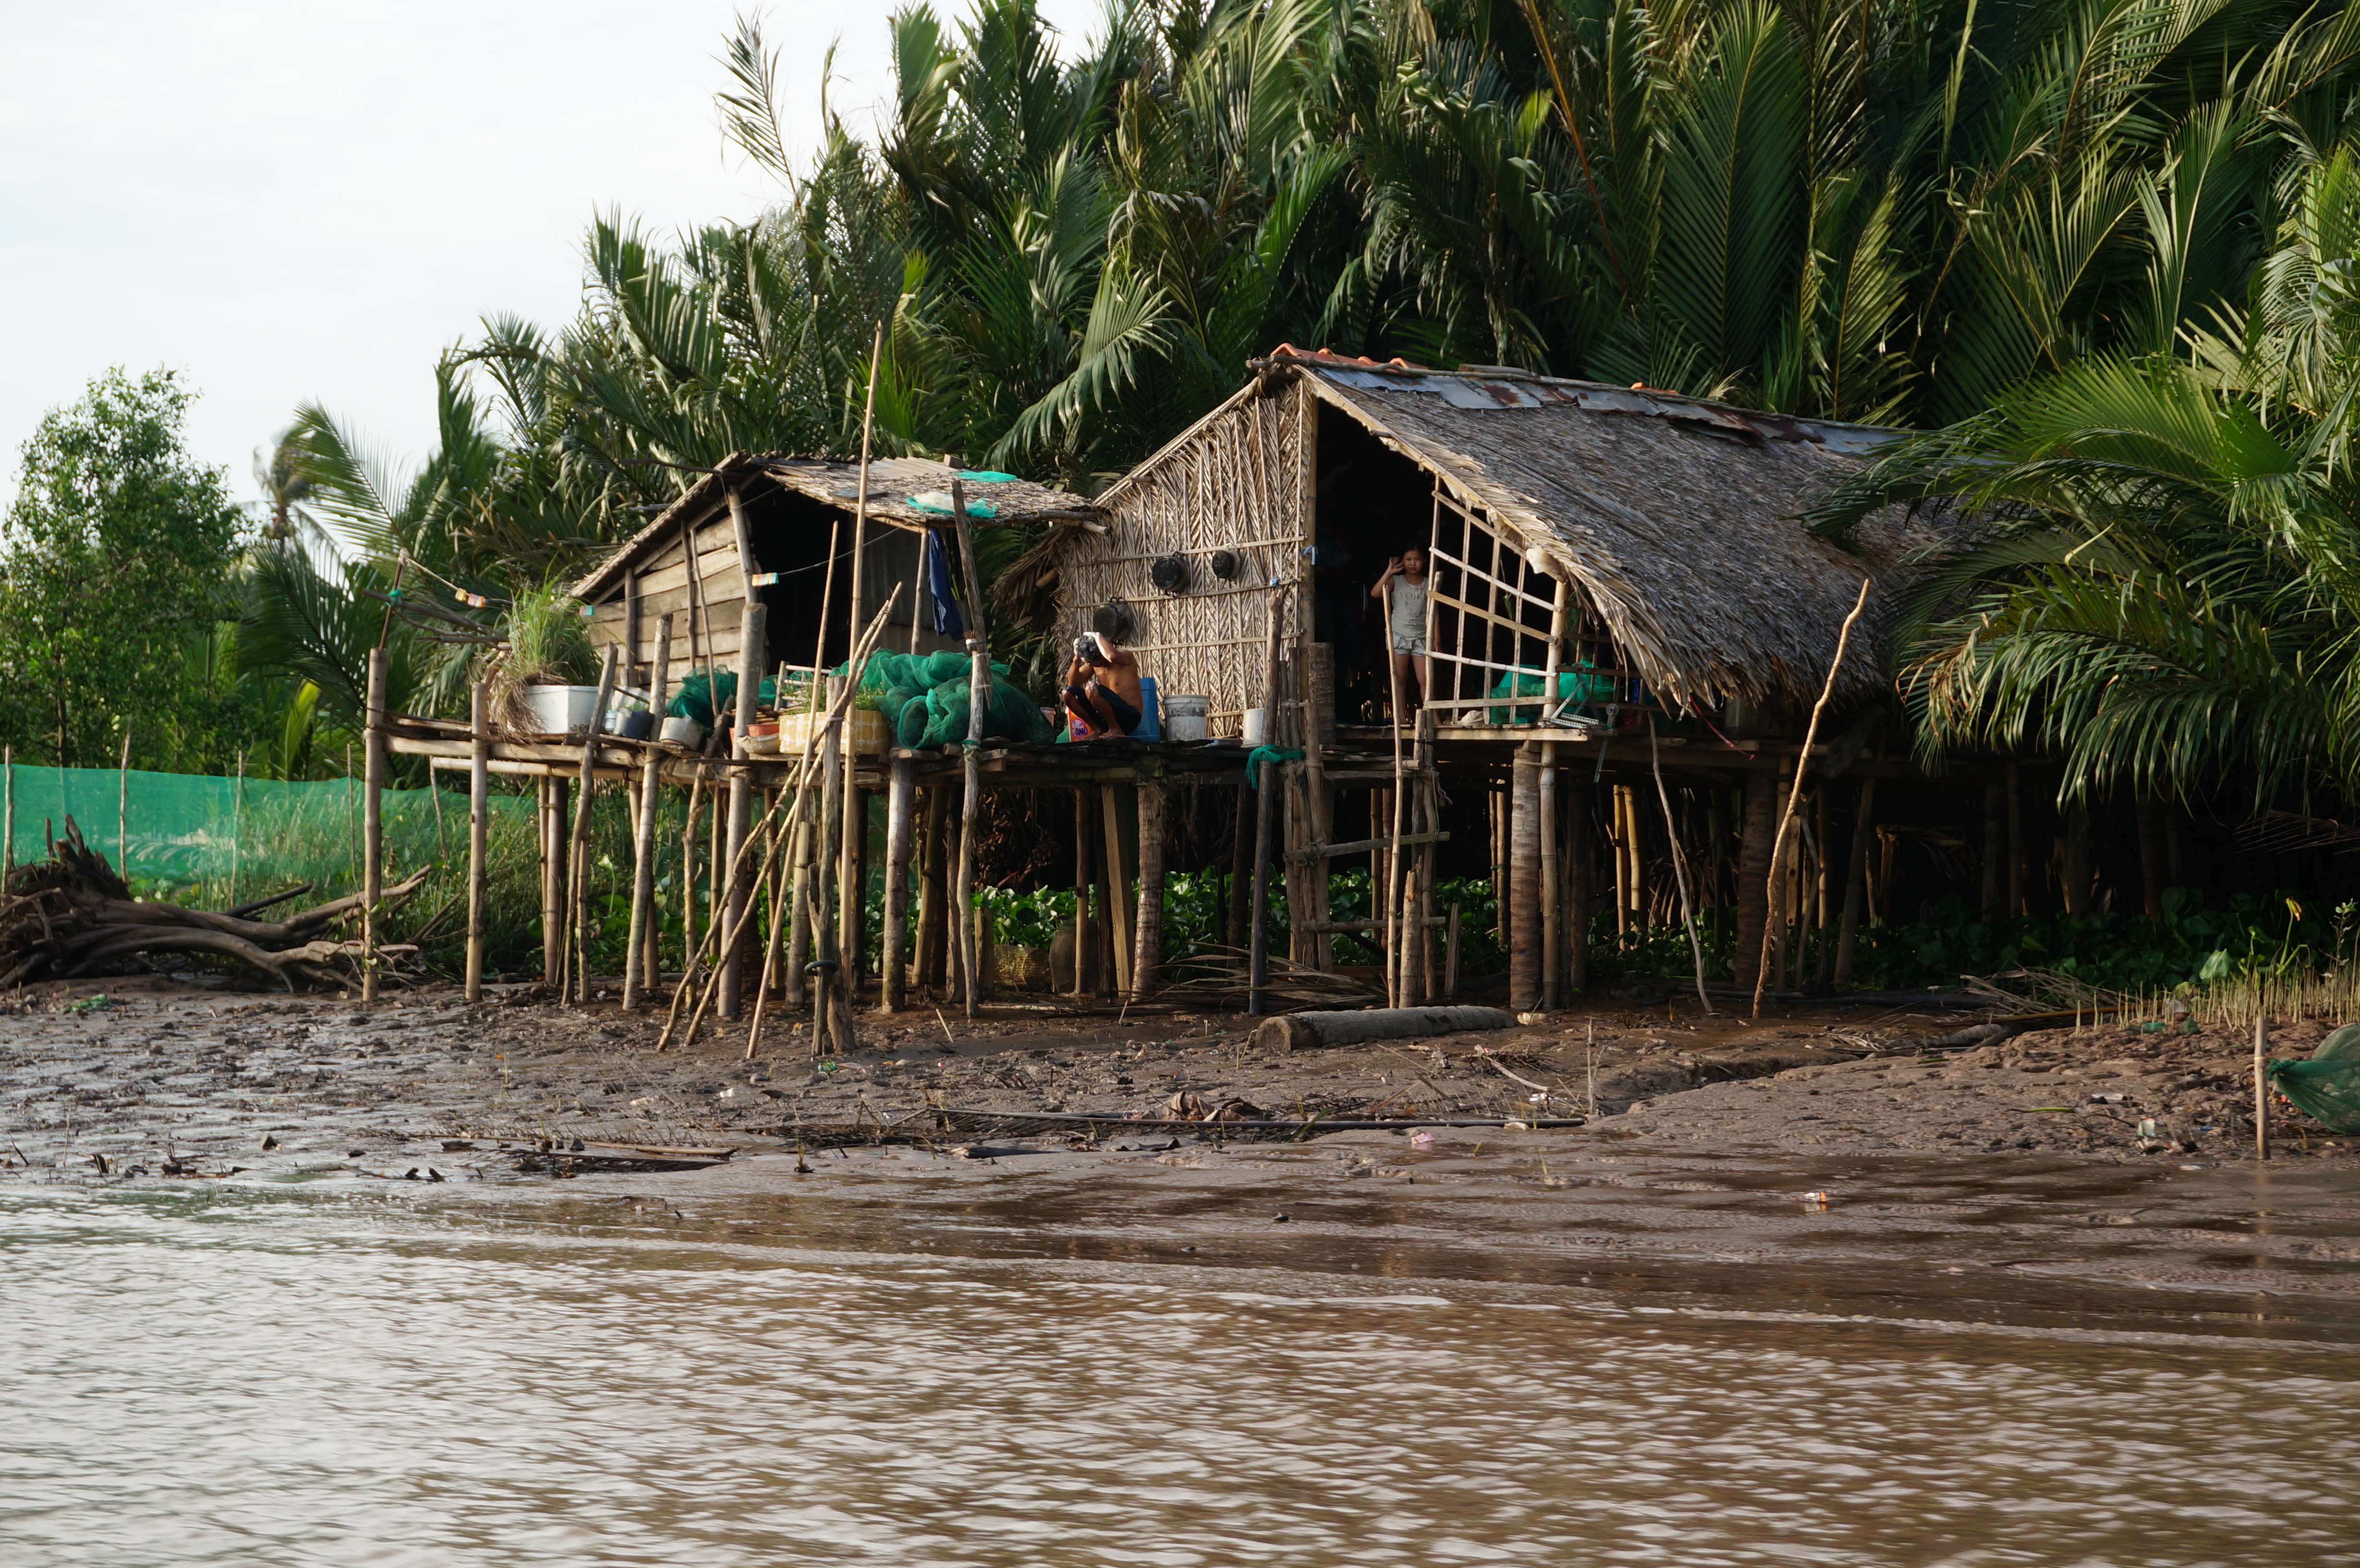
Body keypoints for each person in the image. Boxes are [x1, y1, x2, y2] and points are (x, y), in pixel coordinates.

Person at [1370, 546, 1429, 716]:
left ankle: (1432, 716)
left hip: (1421, 635)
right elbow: (1375, 593)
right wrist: (1389, 572)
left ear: (1424, 561)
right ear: (1403, 561)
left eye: (1417, 559)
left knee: (1425, 679)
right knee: (1400, 679)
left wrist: (1436, 638)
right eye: (1408, 559)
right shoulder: (1396, 581)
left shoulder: (1428, 583)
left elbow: (1435, 611)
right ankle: (1401, 718)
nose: (1413, 563)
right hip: (1399, 635)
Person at [1063, 631, 1144, 738]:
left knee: (1091, 688)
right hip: (1106, 719)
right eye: (1089, 663)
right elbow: (1073, 684)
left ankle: (1116, 730)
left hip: (1129, 718)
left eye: (1092, 663)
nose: (1091, 665)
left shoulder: (1124, 657)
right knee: (1068, 693)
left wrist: (1098, 636)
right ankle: (1098, 730)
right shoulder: (1094, 664)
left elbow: (1112, 656)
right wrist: (1076, 659)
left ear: (1101, 655)